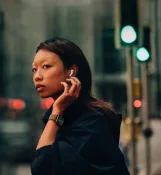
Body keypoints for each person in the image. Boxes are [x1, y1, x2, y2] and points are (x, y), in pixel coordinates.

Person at [31, 37, 130, 175]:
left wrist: (57, 112)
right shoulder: (65, 115)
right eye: (34, 69)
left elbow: (41, 169)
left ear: (71, 72)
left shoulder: (91, 121)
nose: (37, 76)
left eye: (46, 66)